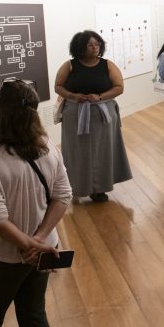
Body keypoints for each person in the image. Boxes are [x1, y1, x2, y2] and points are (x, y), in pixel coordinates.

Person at [0, 79, 72, 327]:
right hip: (43, 250)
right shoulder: (48, 148)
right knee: (33, 316)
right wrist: (39, 239)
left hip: (3, 257)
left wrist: (29, 245)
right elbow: (63, 196)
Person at [54, 30, 132, 203]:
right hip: (75, 115)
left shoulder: (107, 65)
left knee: (103, 150)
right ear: (80, 47)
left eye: (97, 44)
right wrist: (73, 96)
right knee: (76, 151)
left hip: (102, 115)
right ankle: (76, 187)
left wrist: (100, 96)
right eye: (90, 45)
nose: (95, 47)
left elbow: (119, 87)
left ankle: (99, 189)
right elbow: (58, 86)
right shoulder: (69, 65)